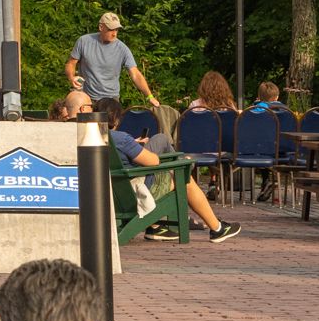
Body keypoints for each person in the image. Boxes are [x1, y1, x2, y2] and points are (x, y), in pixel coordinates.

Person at [96, 96, 241, 243]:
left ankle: (155, 226)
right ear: (116, 119)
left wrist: (133, 146)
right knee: (183, 179)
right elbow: (153, 161)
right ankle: (217, 228)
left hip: (109, 195)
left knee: (170, 159)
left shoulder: (88, 138)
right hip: (133, 193)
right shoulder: (121, 138)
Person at [66, 12, 155, 104]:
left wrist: (149, 96)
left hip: (111, 99)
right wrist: (71, 77)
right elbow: (71, 64)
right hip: (86, 98)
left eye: (116, 30)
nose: (114, 34)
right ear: (101, 27)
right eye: (111, 29)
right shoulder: (84, 41)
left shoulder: (122, 49)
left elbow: (135, 74)